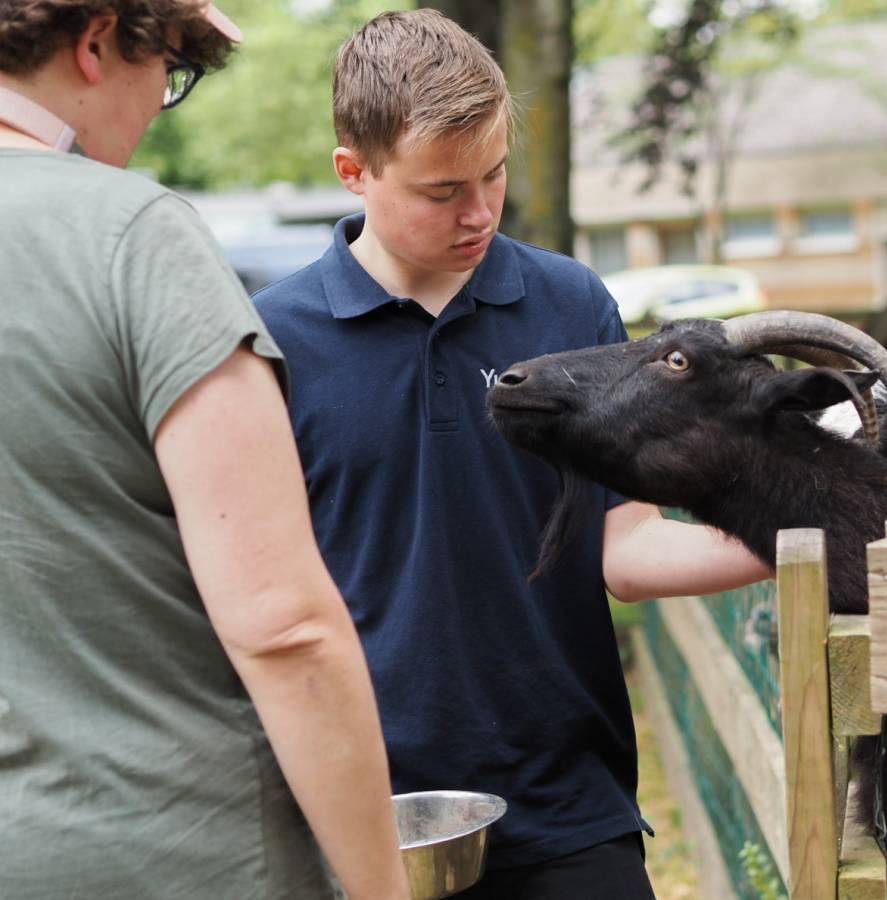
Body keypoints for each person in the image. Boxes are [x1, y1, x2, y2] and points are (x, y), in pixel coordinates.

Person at [253, 9, 773, 898]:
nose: (481, 210)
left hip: (570, 807)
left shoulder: (570, 305)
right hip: (363, 820)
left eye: (494, 174)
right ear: (353, 172)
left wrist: (808, 532)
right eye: (443, 190)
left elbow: (629, 545)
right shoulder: (274, 342)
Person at [0, 3, 409, 898]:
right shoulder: (131, 235)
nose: (157, 109)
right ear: (98, 40)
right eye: (171, 72)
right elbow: (283, 626)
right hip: (182, 853)